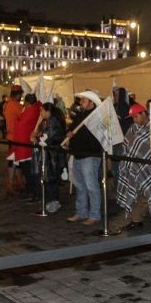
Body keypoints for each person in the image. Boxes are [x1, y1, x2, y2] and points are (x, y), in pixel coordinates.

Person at [116, 104, 151, 230]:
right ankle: (136, 220)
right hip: (133, 168)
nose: (134, 120)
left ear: (144, 113)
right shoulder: (132, 128)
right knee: (135, 194)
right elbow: (126, 146)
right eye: (132, 117)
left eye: (136, 116)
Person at [66, 91, 104, 226]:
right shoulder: (80, 115)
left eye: (84, 100)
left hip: (90, 155)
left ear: (91, 102)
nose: (81, 102)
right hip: (77, 154)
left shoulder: (96, 117)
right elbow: (72, 128)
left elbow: (98, 136)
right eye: (81, 99)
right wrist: (69, 133)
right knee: (79, 185)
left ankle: (94, 214)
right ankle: (81, 212)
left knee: (91, 185)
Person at [32, 102, 67, 214]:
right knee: (50, 179)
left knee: (51, 179)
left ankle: (54, 202)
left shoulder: (53, 122)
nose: (40, 113)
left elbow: (49, 138)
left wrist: (36, 139)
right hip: (51, 155)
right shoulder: (49, 121)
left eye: (42, 110)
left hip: (52, 156)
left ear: (48, 111)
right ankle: (51, 201)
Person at [14, 94, 42, 201]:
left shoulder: (30, 112)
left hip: (26, 146)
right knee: (29, 171)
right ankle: (32, 191)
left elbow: (21, 125)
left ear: (27, 102)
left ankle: (33, 192)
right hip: (25, 145)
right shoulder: (33, 110)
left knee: (29, 171)